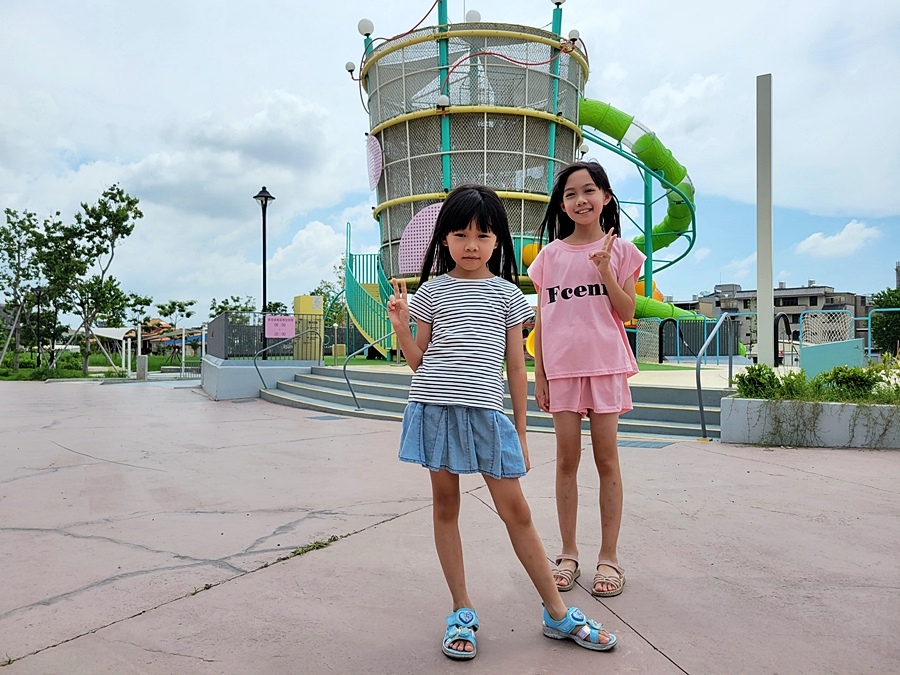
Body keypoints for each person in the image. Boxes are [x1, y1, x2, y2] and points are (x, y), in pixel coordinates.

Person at [387, 184, 616, 660]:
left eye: (482, 235)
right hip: (436, 411)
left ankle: (556, 612)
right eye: (460, 234)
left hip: (489, 417)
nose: (471, 245)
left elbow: (517, 366)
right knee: (446, 506)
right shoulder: (430, 292)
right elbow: (418, 362)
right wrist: (402, 326)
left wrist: (522, 428)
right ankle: (461, 609)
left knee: (518, 513)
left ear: (498, 242)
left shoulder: (509, 296)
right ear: (444, 240)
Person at [528, 161, 646, 599]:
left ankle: (609, 557)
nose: (581, 199)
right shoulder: (549, 258)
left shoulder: (623, 252)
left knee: (607, 461)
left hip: (605, 366)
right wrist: (539, 374)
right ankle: (568, 552)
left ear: (606, 197)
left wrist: (603, 268)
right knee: (565, 463)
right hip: (561, 371)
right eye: (572, 194)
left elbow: (627, 311)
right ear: (562, 204)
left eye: (589, 190)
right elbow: (544, 318)